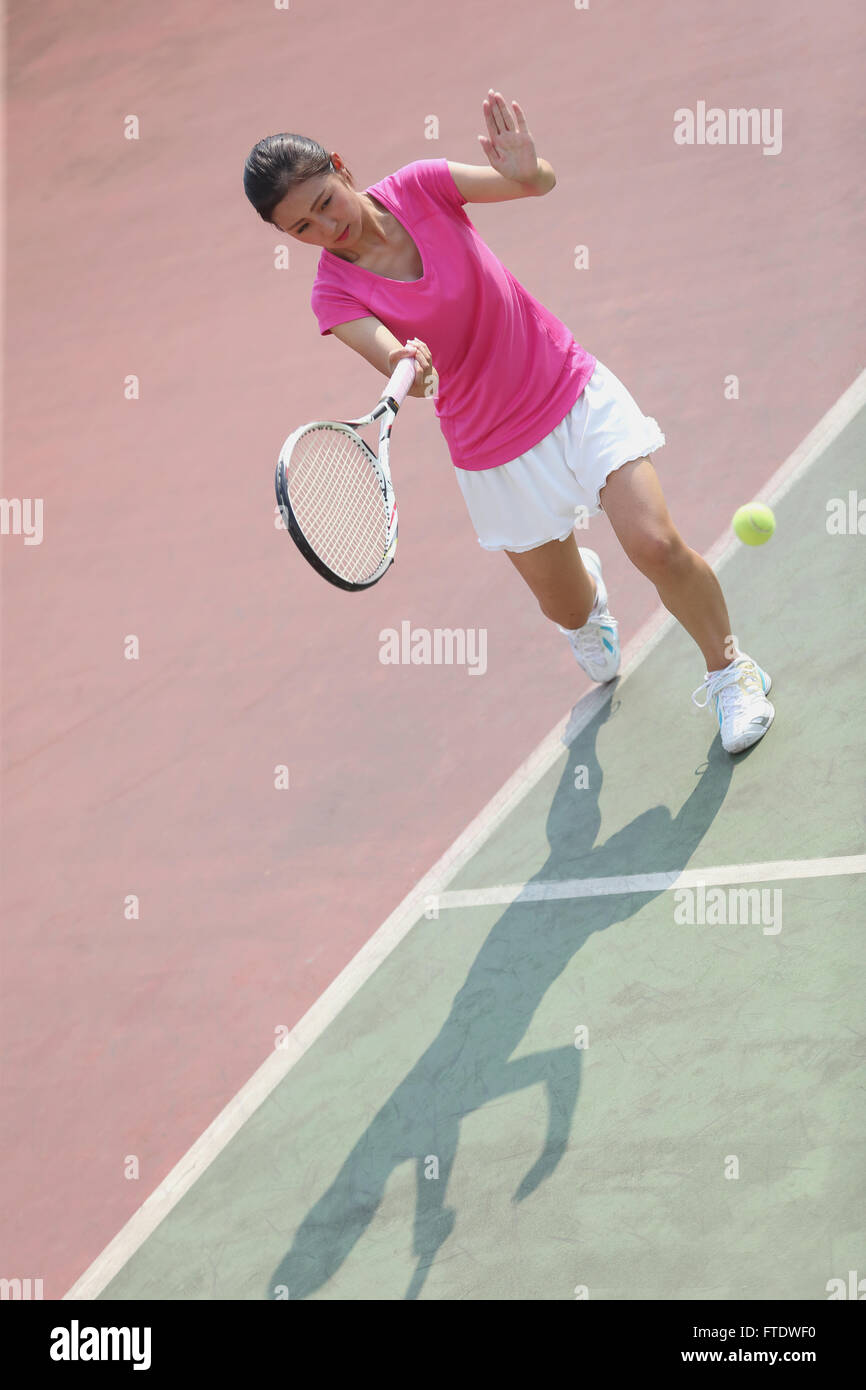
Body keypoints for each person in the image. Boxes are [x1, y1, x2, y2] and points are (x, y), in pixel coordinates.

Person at [243, 90, 774, 755]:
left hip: (567, 387)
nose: (326, 229)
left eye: (325, 202)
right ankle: (587, 611)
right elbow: (396, 361)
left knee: (656, 545)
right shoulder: (334, 295)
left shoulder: (421, 186)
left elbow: (533, 183)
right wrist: (407, 360)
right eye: (302, 229)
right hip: (493, 451)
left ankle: (731, 671)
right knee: (566, 609)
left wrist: (525, 168)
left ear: (342, 169)